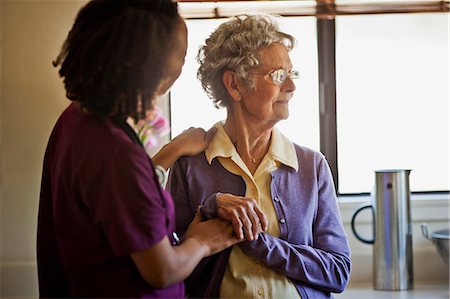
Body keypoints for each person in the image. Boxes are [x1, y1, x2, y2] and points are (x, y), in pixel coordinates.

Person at [36, 1, 242, 298]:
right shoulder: (114, 152)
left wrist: (171, 152)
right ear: (148, 61)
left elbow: (118, 200)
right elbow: (162, 271)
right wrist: (201, 241)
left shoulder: (76, 120)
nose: (182, 68)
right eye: (180, 54)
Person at [167, 14, 351, 298]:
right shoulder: (189, 167)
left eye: (292, 74)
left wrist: (257, 243)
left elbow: (338, 271)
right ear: (235, 85)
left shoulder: (311, 166)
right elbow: (173, 275)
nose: (291, 86)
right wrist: (208, 214)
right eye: (278, 75)